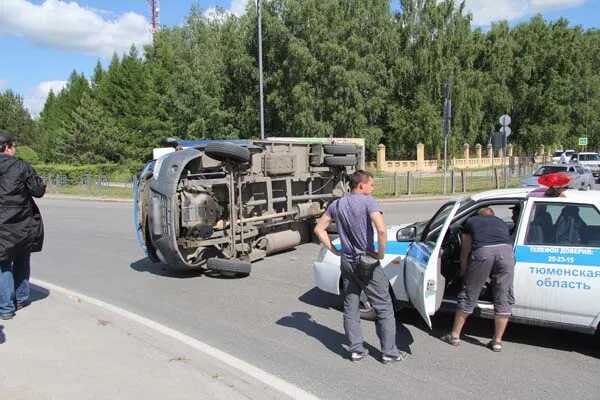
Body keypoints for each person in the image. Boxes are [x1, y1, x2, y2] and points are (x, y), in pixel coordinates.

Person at [313, 170, 407, 364]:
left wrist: (334, 251)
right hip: (366, 261)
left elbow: (318, 229)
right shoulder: (368, 202)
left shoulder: (336, 204)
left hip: (347, 262)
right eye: (371, 184)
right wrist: (380, 253)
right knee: (384, 306)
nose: (373, 188)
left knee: (350, 305)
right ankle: (389, 352)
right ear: (361, 185)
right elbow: (381, 229)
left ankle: (356, 350)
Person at [440, 207, 515, 352]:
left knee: (469, 292)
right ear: (492, 215)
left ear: (478, 215)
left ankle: (455, 335)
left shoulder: (471, 221)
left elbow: (465, 251)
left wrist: (463, 271)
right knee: (503, 295)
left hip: (483, 253)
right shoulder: (501, 222)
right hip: (507, 253)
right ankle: (497, 341)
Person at [0, 132, 46, 320]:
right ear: (8, 147)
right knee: (21, 259)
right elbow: (38, 190)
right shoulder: (21, 167)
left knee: (2, 264)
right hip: (21, 222)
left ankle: (5, 309)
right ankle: (20, 299)